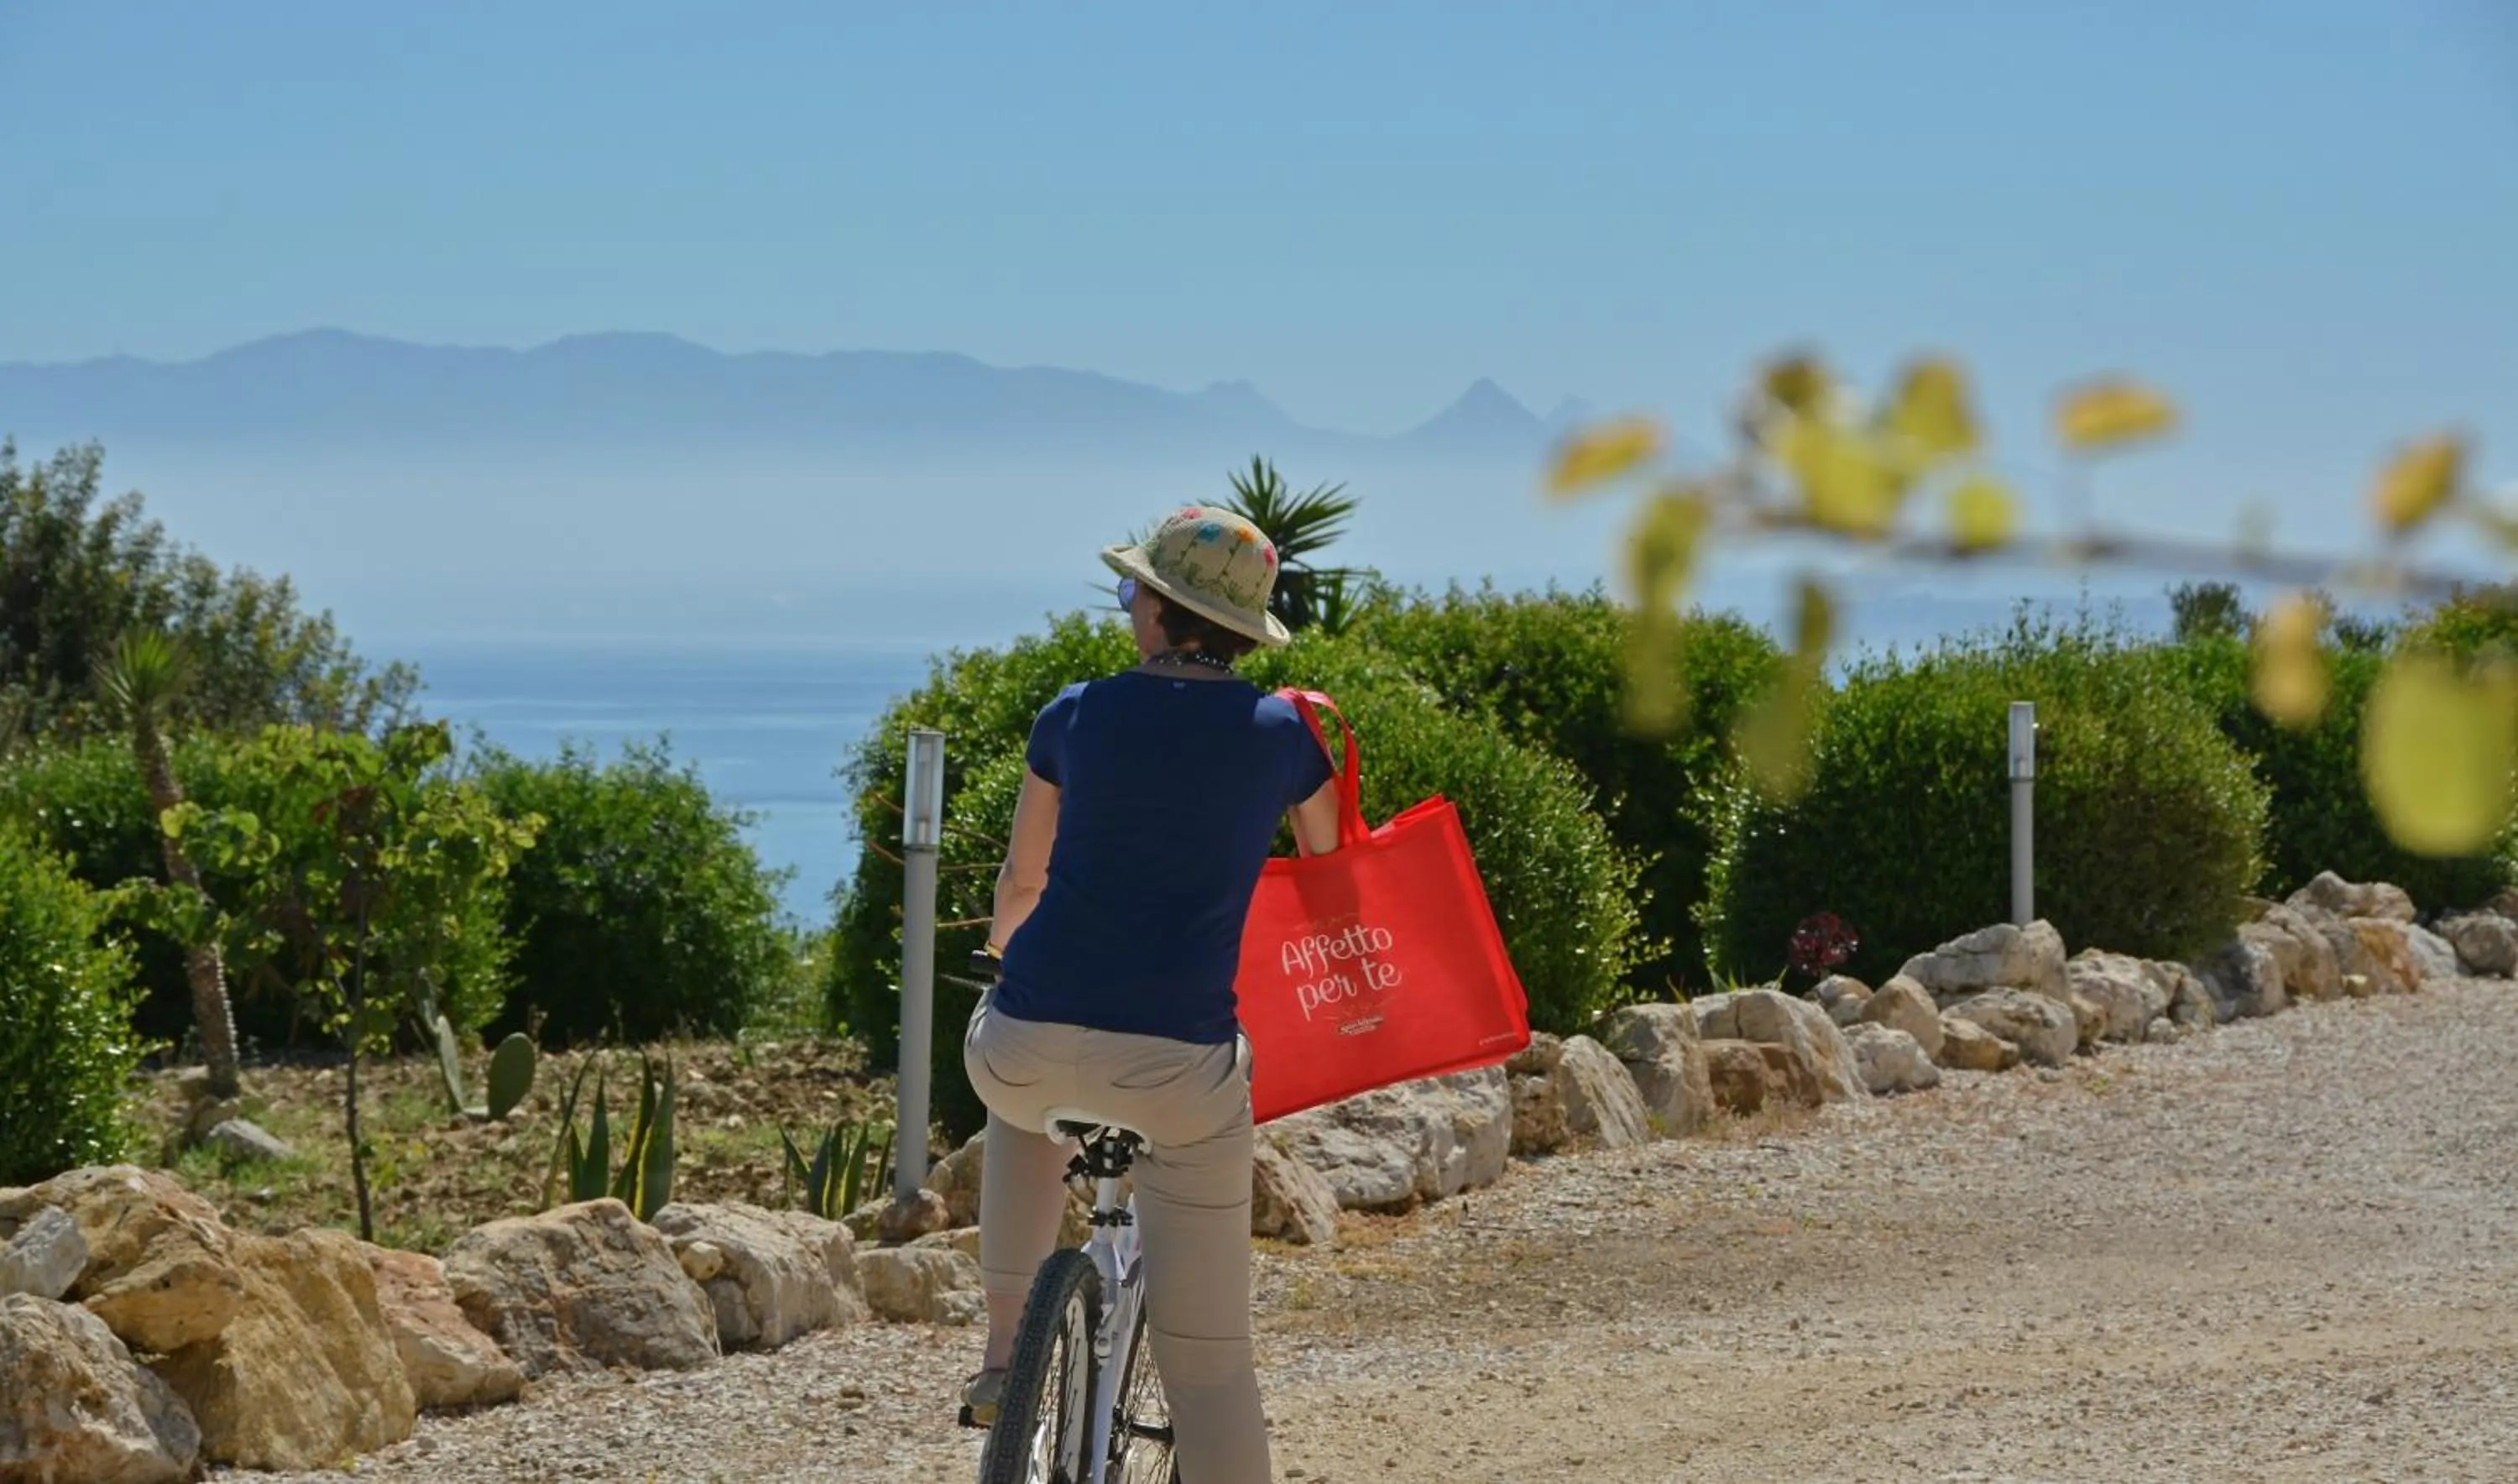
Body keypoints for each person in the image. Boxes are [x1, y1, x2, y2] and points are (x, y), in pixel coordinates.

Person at [960, 504, 1344, 1484]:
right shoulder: (1282, 730)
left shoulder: (1075, 712)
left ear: (1164, 610)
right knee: (1211, 1365)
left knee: (1020, 1087)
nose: (1127, 603)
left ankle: (1007, 1349)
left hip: (1035, 1035)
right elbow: (1329, 856)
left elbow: (1020, 888)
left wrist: (1012, 951)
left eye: (1133, 590)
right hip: (1180, 1061)